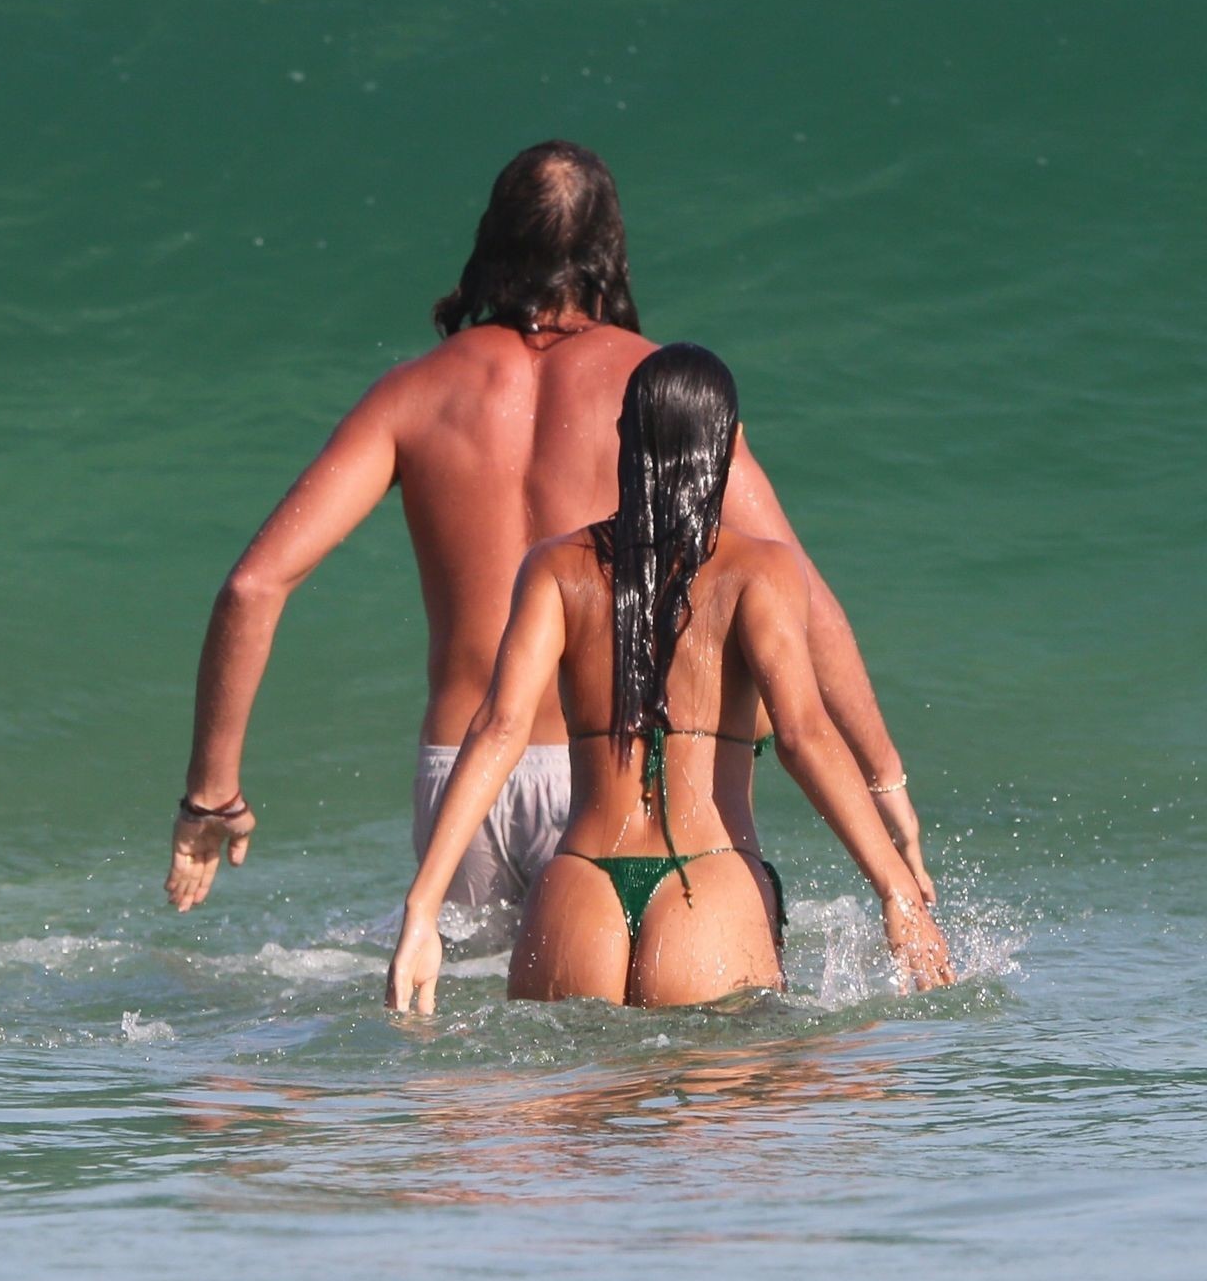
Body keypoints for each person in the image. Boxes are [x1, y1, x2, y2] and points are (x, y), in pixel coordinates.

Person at [166, 143, 935, 916]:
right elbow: (798, 591)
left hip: (464, 777)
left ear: (493, 242)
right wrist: (883, 779)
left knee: (459, 989)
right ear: (610, 252)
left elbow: (253, 587)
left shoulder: (412, 394)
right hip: (606, 768)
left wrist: (211, 795)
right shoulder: (656, 392)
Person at [386, 345, 954, 1011]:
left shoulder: (554, 568)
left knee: (565, 1076)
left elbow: (499, 727)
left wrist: (423, 910)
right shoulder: (761, 571)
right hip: (706, 890)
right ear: (730, 444)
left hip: (576, 895)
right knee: (808, 1067)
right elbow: (803, 736)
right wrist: (897, 891)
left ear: (624, 438)